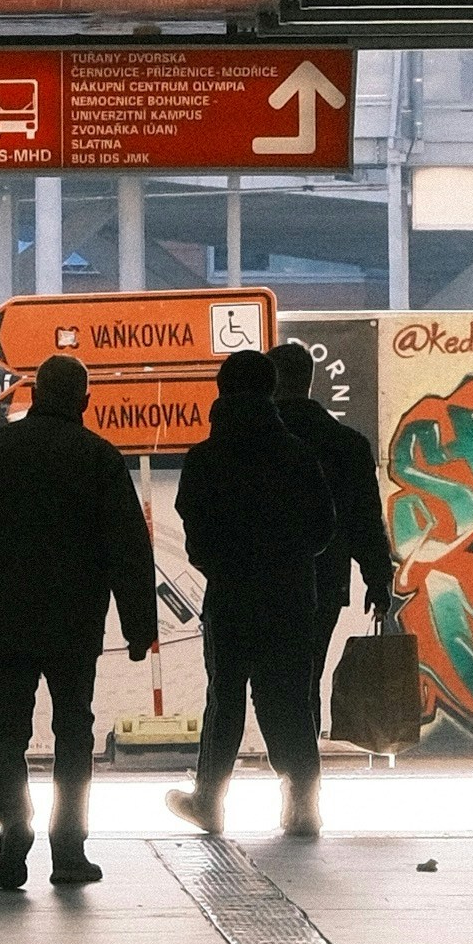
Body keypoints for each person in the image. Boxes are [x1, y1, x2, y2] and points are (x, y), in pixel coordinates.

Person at [0, 356, 158, 898]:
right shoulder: (99, 457)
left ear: (33, 395)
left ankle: (15, 823)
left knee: (3, 733)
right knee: (73, 732)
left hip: (1, 620)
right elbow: (128, 549)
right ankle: (69, 849)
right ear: (84, 401)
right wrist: (138, 627)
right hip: (72, 623)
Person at [170, 346, 337, 839]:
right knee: (288, 700)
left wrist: (222, 562)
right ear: (271, 392)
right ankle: (302, 805)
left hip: (230, 594)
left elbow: (195, 532)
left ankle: (210, 801)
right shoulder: (298, 455)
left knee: (224, 699)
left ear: (221, 391)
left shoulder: (204, 458)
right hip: (289, 596)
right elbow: (322, 531)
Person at [271, 348, 396, 726]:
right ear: (309, 381)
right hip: (324, 581)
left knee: (256, 683)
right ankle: (304, 774)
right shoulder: (348, 445)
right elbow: (365, 522)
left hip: (262, 580)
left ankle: (278, 767)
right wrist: (378, 579)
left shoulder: (260, 443)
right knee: (308, 674)